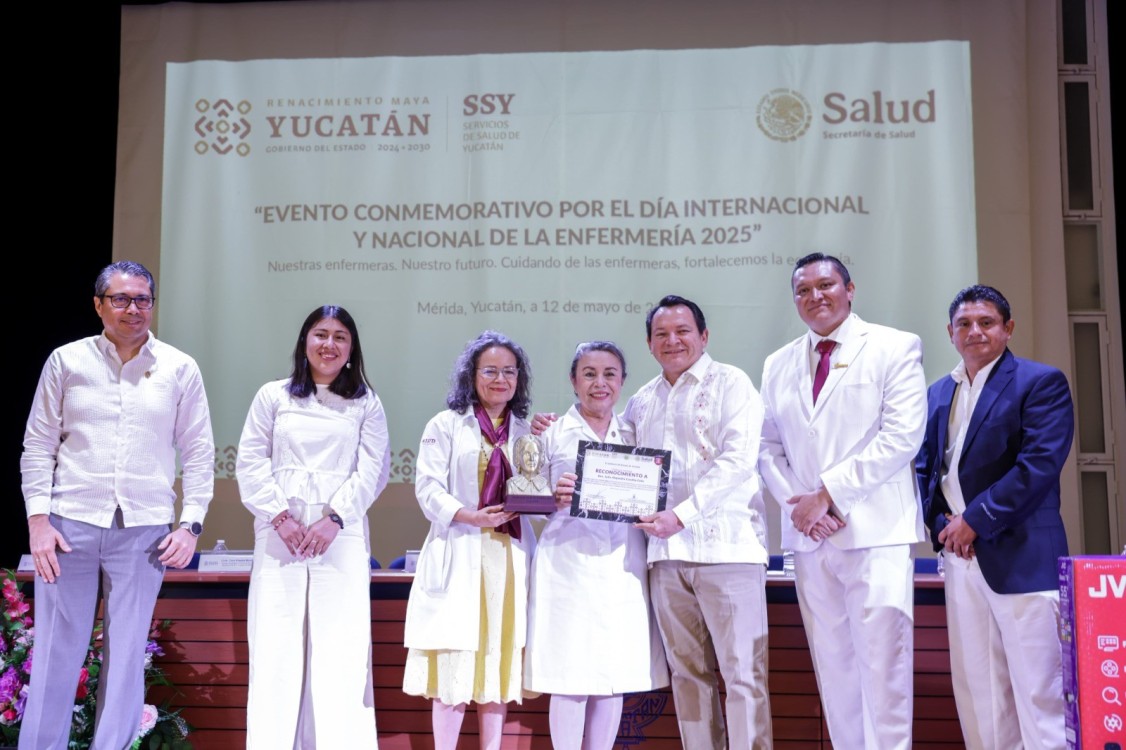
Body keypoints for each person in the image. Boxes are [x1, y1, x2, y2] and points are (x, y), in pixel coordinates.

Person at [19, 260, 214, 750]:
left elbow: (199, 452)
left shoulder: (179, 367)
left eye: (143, 299)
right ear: (99, 305)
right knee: (56, 657)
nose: (134, 309)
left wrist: (190, 524)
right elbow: (38, 445)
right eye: (122, 299)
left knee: (126, 658)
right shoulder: (67, 361)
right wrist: (38, 521)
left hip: (145, 531)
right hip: (69, 525)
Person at [758, 252, 926, 750]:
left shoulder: (894, 347)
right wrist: (800, 505)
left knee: (884, 668)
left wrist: (827, 495)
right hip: (811, 540)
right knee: (834, 668)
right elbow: (768, 448)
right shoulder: (778, 362)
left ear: (849, 290)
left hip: (874, 531)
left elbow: (901, 437)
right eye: (803, 290)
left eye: (825, 285)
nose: (815, 296)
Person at [915, 285, 1072, 750]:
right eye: (964, 324)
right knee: (979, 693)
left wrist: (975, 521)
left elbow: (1038, 465)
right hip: (961, 560)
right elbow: (925, 468)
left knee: (1038, 693)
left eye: (986, 322)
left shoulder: (1039, 381)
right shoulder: (939, 391)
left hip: (1023, 559)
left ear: (1008, 328)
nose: (975, 331)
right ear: (950, 332)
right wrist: (944, 525)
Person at [620, 295, 773, 748]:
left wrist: (680, 516)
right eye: (661, 334)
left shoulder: (733, 384)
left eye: (683, 331)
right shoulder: (641, 401)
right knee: (687, 677)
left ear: (703, 337)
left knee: (744, 677)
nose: (673, 341)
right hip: (666, 559)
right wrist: (557, 435)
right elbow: (617, 461)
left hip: (728, 552)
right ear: (649, 344)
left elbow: (738, 462)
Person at [236, 305, 390, 748]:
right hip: (278, 533)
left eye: (340, 337)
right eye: (320, 334)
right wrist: (280, 517)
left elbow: (372, 472)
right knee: (275, 649)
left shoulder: (366, 402)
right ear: (304, 342)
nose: (329, 344)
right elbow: (250, 462)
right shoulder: (273, 396)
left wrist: (333, 520)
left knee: (341, 651)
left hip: (340, 538)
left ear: (351, 350)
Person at [525, 341, 669, 750]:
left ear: (623, 381)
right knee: (569, 675)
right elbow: (527, 504)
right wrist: (549, 498)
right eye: (589, 374)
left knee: (612, 675)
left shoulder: (636, 434)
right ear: (573, 381)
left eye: (609, 374)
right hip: (566, 565)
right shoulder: (549, 434)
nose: (599, 383)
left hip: (623, 565)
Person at [402, 331, 537, 750]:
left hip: (508, 558)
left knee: (497, 665)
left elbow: (538, 486)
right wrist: (468, 515)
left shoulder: (528, 431)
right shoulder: (445, 425)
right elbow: (427, 488)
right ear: (471, 375)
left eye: (509, 372)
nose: (500, 379)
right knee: (454, 668)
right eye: (490, 370)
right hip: (460, 548)